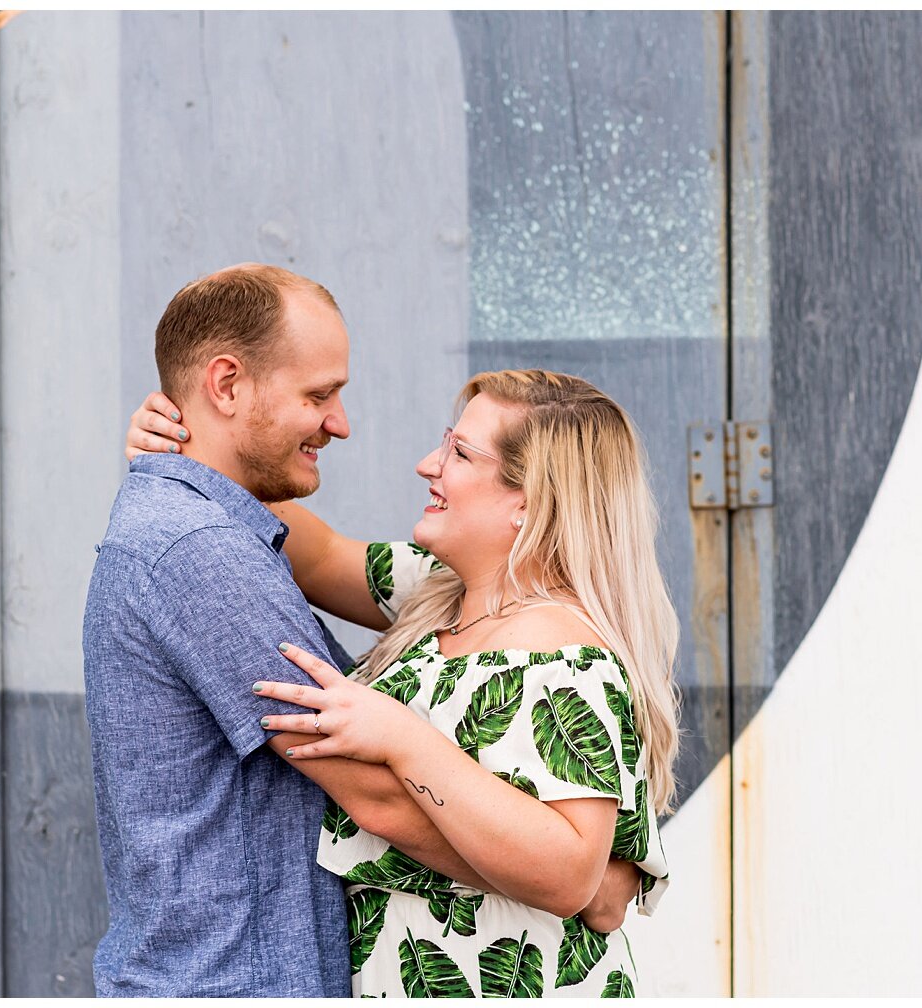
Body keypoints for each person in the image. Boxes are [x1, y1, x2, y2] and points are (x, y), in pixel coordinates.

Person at [85, 265, 637, 998]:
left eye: (460, 454)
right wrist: (179, 455)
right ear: (224, 385)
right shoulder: (435, 593)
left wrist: (575, 873)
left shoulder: (559, 641)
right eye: (319, 394)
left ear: (530, 505)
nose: (424, 464)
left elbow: (544, 840)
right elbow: (309, 549)